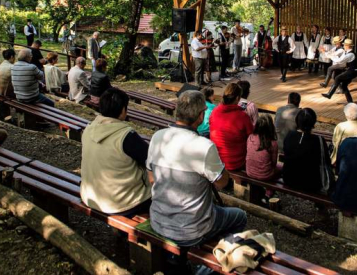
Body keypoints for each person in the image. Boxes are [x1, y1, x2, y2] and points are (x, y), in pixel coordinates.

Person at [146, 90, 247, 250]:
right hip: (192, 230)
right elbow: (221, 182)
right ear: (201, 116)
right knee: (240, 216)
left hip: (158, 221)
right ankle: (218, 260)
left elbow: (151, 179)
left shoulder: (157, 137)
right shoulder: (204, 146)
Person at [80, 88, 152, 216]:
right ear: (123, 110)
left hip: (91, 196)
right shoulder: (126, 136)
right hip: (121, 203)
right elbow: (151, 160)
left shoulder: (88, 129)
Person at [209, 83, 253, 171]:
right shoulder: (243, 116)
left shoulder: (215, 111)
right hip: (236, 163)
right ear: (237, 98)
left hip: (217, 160)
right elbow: (252, 136)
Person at [283, 108, 327, 193]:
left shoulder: (289, 135)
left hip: (289, 179)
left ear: (297, 121)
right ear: (313, 122)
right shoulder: (319, 140)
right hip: (311, 183)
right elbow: (325, 161)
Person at [246, 114, 280, 199]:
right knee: (280, 167)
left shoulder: (250, 137)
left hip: (249, 171)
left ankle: (261, 191)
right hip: (265, 175)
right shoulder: (273, 143)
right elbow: (274, 163)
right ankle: (269, 192)